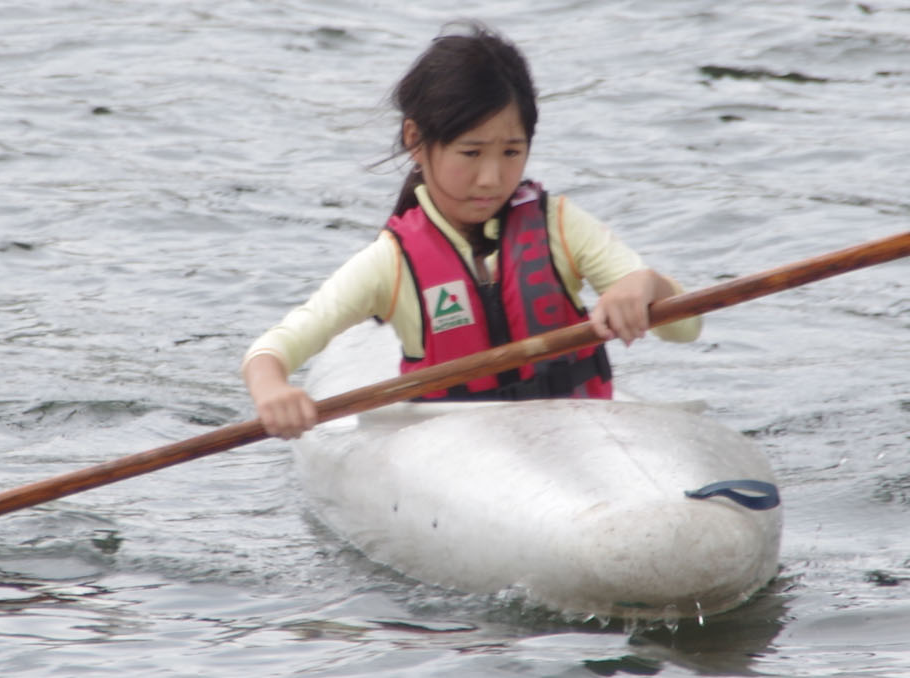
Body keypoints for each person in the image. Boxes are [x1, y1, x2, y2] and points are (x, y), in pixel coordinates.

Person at [243, 26, 701, 439]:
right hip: (458, 454)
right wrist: (272, 389)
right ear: (415, 140)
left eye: (511, 151)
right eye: (471, 152)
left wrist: (645, 286)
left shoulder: (561, 226)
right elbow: (272, 350)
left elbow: (686, 328)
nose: (491, 178)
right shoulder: (392, 263)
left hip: (575, 437)